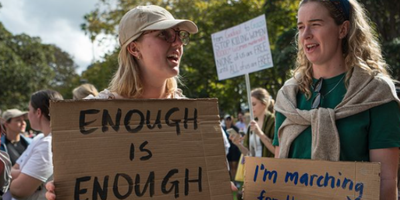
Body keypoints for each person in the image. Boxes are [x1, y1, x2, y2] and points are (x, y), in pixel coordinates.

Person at [45, 5, 236, 200]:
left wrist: (217, 188)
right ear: (134, 48)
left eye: (180, 36)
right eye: (165, 35)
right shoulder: (90, 117)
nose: (178, 43)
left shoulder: (198, 121)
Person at [273, 0, 400, 199]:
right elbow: (278, 175)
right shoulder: (287, 97)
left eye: (315, 24)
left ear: (343, 29)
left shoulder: (376, 92)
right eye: (300, 27)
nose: (305, 34)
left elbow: (385, 180)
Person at [9, 90, 63, 200]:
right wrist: (22, 174)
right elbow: (16, 167)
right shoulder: (39, 138)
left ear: (38, 112)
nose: (28, 116)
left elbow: (18, 190)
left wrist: (20, 174)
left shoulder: (47, 145)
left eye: (29, 110)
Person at [230, 88, 276, 158]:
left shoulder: (273, 121)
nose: (251, 108)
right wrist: (238, 144)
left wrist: (260, 133)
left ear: (264, 104)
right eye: (250, 105)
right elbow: (248, 153)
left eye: (254, 104)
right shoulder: (252, 123)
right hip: (255, 167)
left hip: (269, 167)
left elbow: (277, 150)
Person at [222, 114, 240, 181]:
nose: (228, 121)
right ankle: (232, 180)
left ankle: (236, 181)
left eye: (229, 119)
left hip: (235, 149)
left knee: (234, 166)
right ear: (225, 120)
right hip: (227, 150)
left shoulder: (235, 128)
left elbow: (239, 137)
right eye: (227, 119)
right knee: (229, 166)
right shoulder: (223, 129)